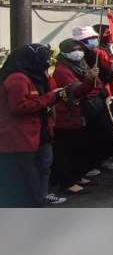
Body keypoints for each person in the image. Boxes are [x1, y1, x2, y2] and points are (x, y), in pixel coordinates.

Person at [0, 44, 67, 207]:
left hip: (38, 131)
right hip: (19, 136)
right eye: (45, 60)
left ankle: (41, 196)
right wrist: (51, 97)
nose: (47, 63)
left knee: (43, 166)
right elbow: (19, 107)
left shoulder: (34, 75)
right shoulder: (17, 79)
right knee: (26, 177)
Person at [51, 39, 96, 195]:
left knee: (78, 147)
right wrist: (89, 80)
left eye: (79, 49)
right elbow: (75, 91)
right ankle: (68, 181)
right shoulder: (62, 70)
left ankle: (77, 176)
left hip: (77, 114)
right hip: (66, 115)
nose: (78, 53)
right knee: (66, 150)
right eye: (73, 50)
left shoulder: (81, 65)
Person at [72, 25, 113, 175]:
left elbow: (104, 75)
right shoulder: (78, 58)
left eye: (94, 38)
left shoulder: (95, 52)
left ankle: (104, 158)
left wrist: (111, 71)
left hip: (98, 96)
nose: (93, 41)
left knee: (104, 129)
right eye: (89, 39)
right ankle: (92, 163)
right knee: (91, 132)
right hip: (87, 99)